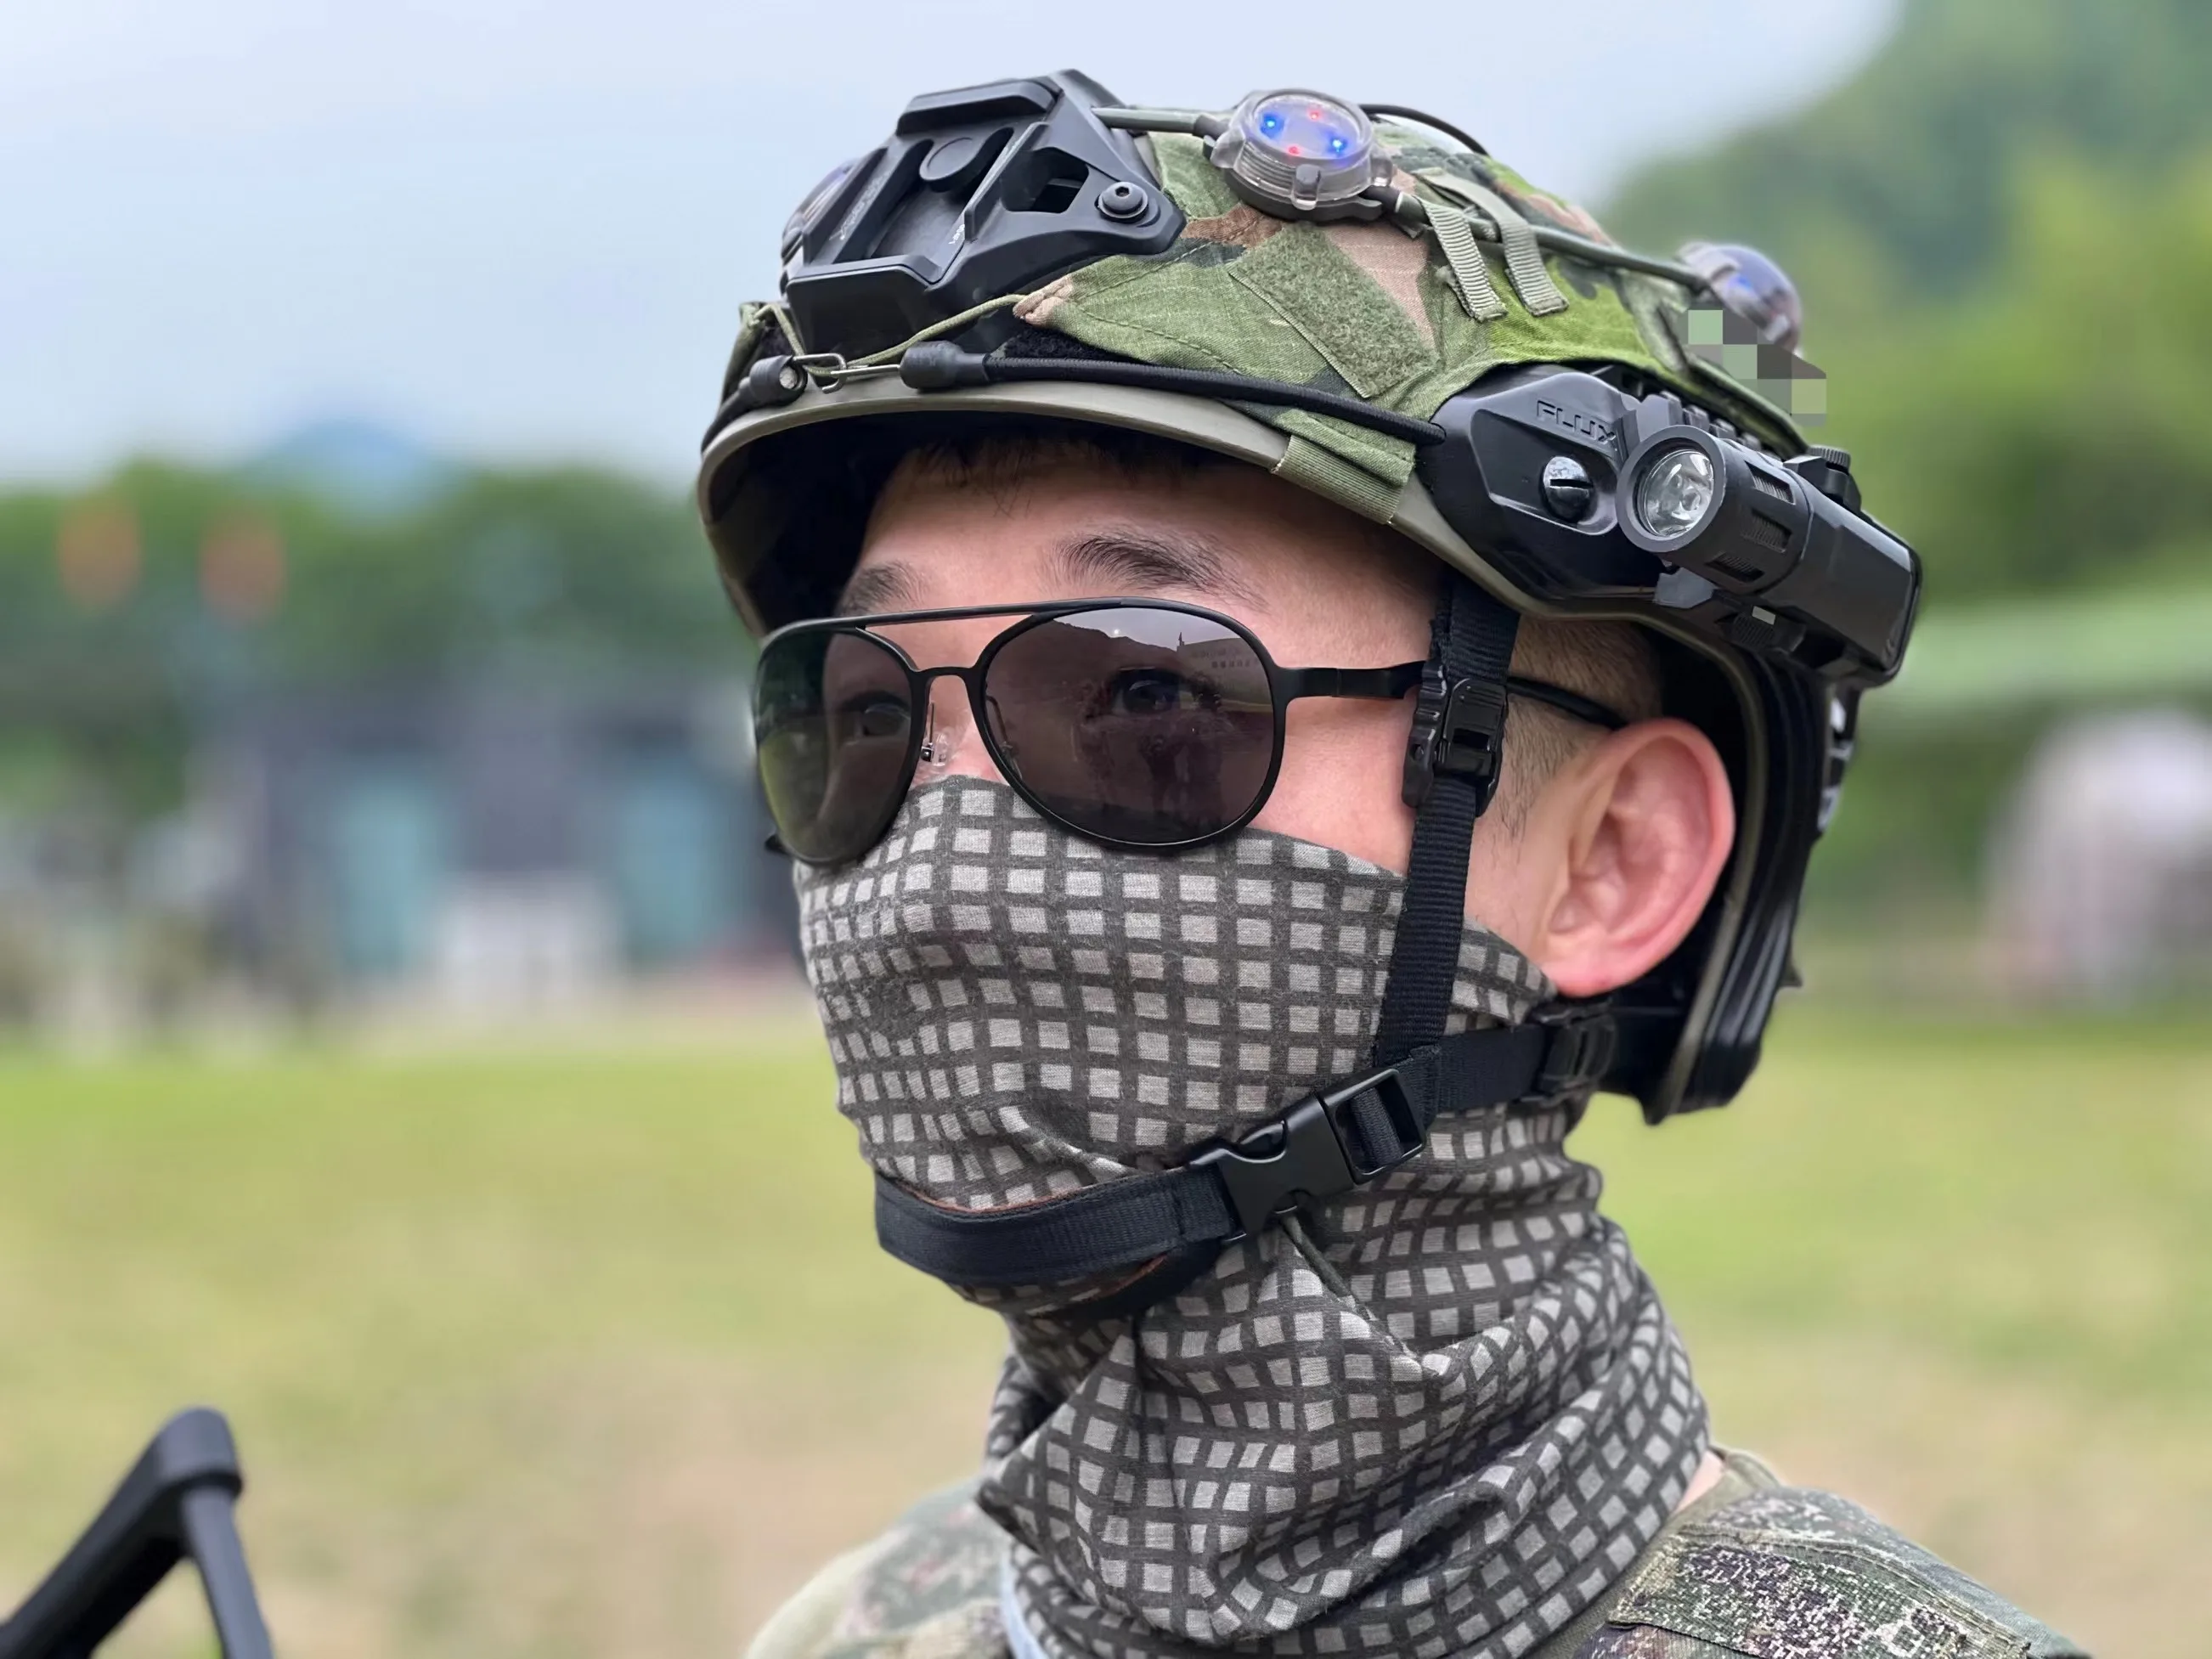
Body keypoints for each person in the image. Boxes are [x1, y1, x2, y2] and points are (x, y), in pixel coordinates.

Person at [698, 76, 2086, 1659]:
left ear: (1613, 862)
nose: (938, 864)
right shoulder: (856, 1630)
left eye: (1144, 694)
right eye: (871, 717)